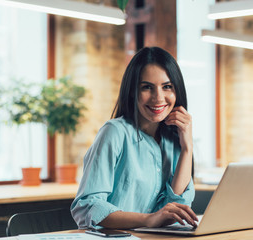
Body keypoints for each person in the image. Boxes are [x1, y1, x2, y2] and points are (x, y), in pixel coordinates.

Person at [71, 46, 198, 230]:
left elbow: (173, 208)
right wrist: (148, 219)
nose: (158, 98)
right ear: (132, 91)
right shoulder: (114, 132)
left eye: (167, 87)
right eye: (147, 87)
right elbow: (88, 206)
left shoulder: (175, 139)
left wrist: (187, 147)